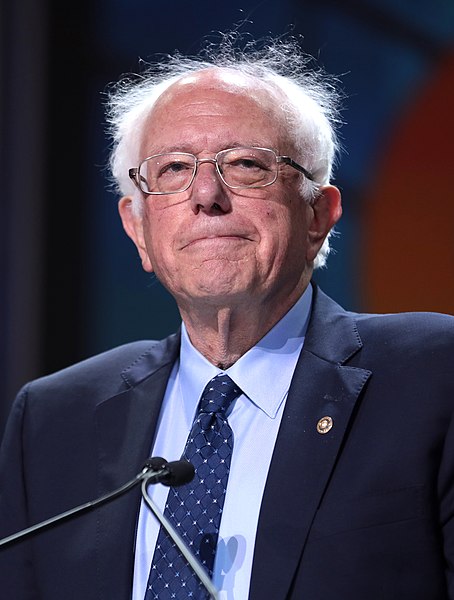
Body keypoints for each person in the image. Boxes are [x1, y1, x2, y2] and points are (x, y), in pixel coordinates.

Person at [1, 37, 454, 600]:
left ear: (319, 214)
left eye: (245, 165)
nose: (207, 195)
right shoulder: (53, 418)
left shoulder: (435, 376)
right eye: (172, 169)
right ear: (138, 229)